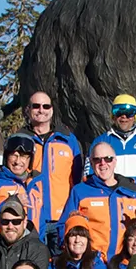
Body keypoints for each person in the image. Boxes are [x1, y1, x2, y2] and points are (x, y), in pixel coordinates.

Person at [61, 138, 136, 260]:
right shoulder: (80, 191)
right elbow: (64, 227)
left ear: (115, 161)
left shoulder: (133, 192)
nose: (103, 163)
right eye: (97, 159)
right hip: (92, 263)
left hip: (124, 263)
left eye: (108, 159)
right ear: (91, 164)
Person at [21, 91, 84, 224]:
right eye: (36, 106)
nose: (41, 110)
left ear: (52, 109)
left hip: (62, 216)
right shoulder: (20, 138)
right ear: (28, 110)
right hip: (31, 216)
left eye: (46, 106)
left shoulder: (67, 139)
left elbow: (77, 178)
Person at [0, 134, 46, 237]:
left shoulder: (35, 184)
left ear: (30, 159)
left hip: (30, 248)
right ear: (6, 157)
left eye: (23, 156)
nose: (18, 161)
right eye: (14, 155)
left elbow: (40, 223)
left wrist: (41, 247)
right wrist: (10, 203)